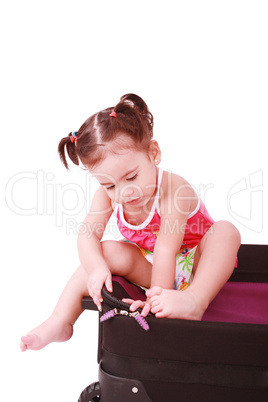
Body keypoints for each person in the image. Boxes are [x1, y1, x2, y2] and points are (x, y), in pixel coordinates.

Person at [20, 94, 240, 351]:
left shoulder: (173, 189)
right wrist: (97, 268)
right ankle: (61, 319)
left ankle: (195, 301)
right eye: (110, 185)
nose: (124, 193)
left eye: (132, 177)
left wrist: (155, 297)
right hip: (149, 265)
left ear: (153, 154)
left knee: (225, 232)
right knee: (105, 251)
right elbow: (87, 235)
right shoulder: (105, 195)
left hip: (196, 263)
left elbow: (166, 249)